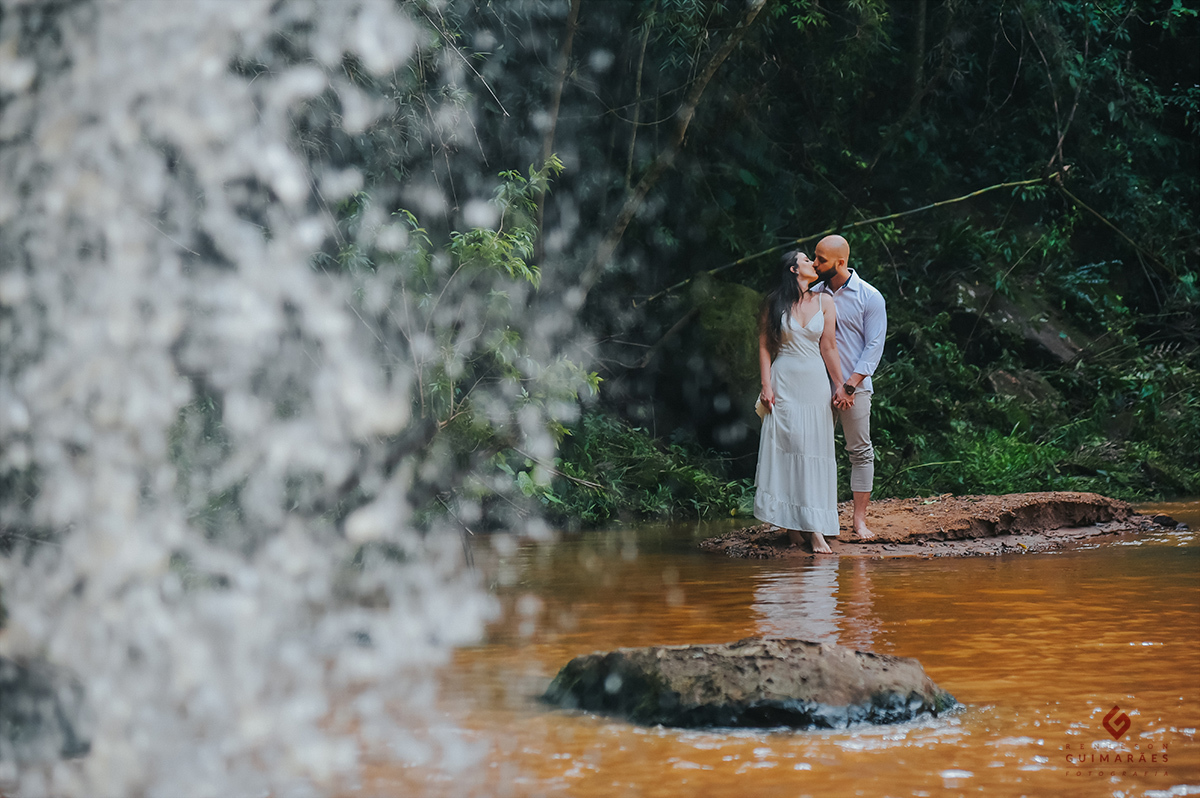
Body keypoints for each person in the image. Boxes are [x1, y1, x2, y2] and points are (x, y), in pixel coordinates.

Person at [754, 250, 850, 554]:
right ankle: (792, 525)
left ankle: (815, 528)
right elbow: (764, 346)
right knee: (789, 450)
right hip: (784, 383)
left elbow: (829, 347)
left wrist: (841, 386)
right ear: (794, 269)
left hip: (813, 383)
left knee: (814, 451)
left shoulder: (825, 301)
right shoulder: (774, 303)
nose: (814, 264)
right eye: (808, 260)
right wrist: (766, 385)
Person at [811, 234, 887, 540]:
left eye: (821, 260)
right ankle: (815, 520)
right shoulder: (812, 294)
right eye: (814, 258)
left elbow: (874, 345)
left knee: (860, 452)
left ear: (841, 262)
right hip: (816, 386)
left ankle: (859, 520)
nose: (815, 264)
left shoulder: (870, 296)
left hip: (855, 389)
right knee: (814, 452)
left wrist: (850, 386)